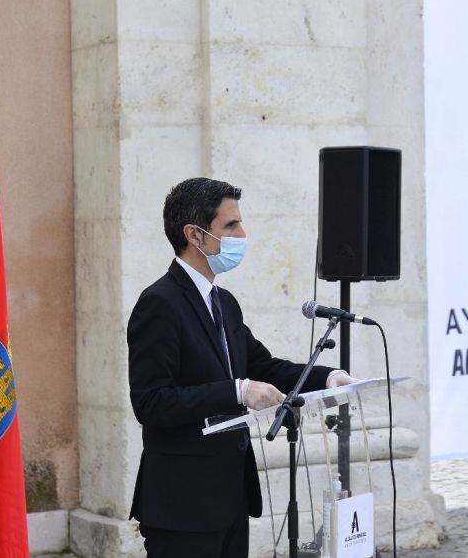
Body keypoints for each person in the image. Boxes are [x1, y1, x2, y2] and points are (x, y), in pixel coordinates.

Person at [127, 177, 354, 557]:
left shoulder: (224, 302)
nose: (242, 234)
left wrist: (328, 377)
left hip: (231, 497)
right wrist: (236, 391)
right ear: (195, 235)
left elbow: (263, 365)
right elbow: (150, 402)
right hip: (183, 505)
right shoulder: (159, 304)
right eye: (231, 226)